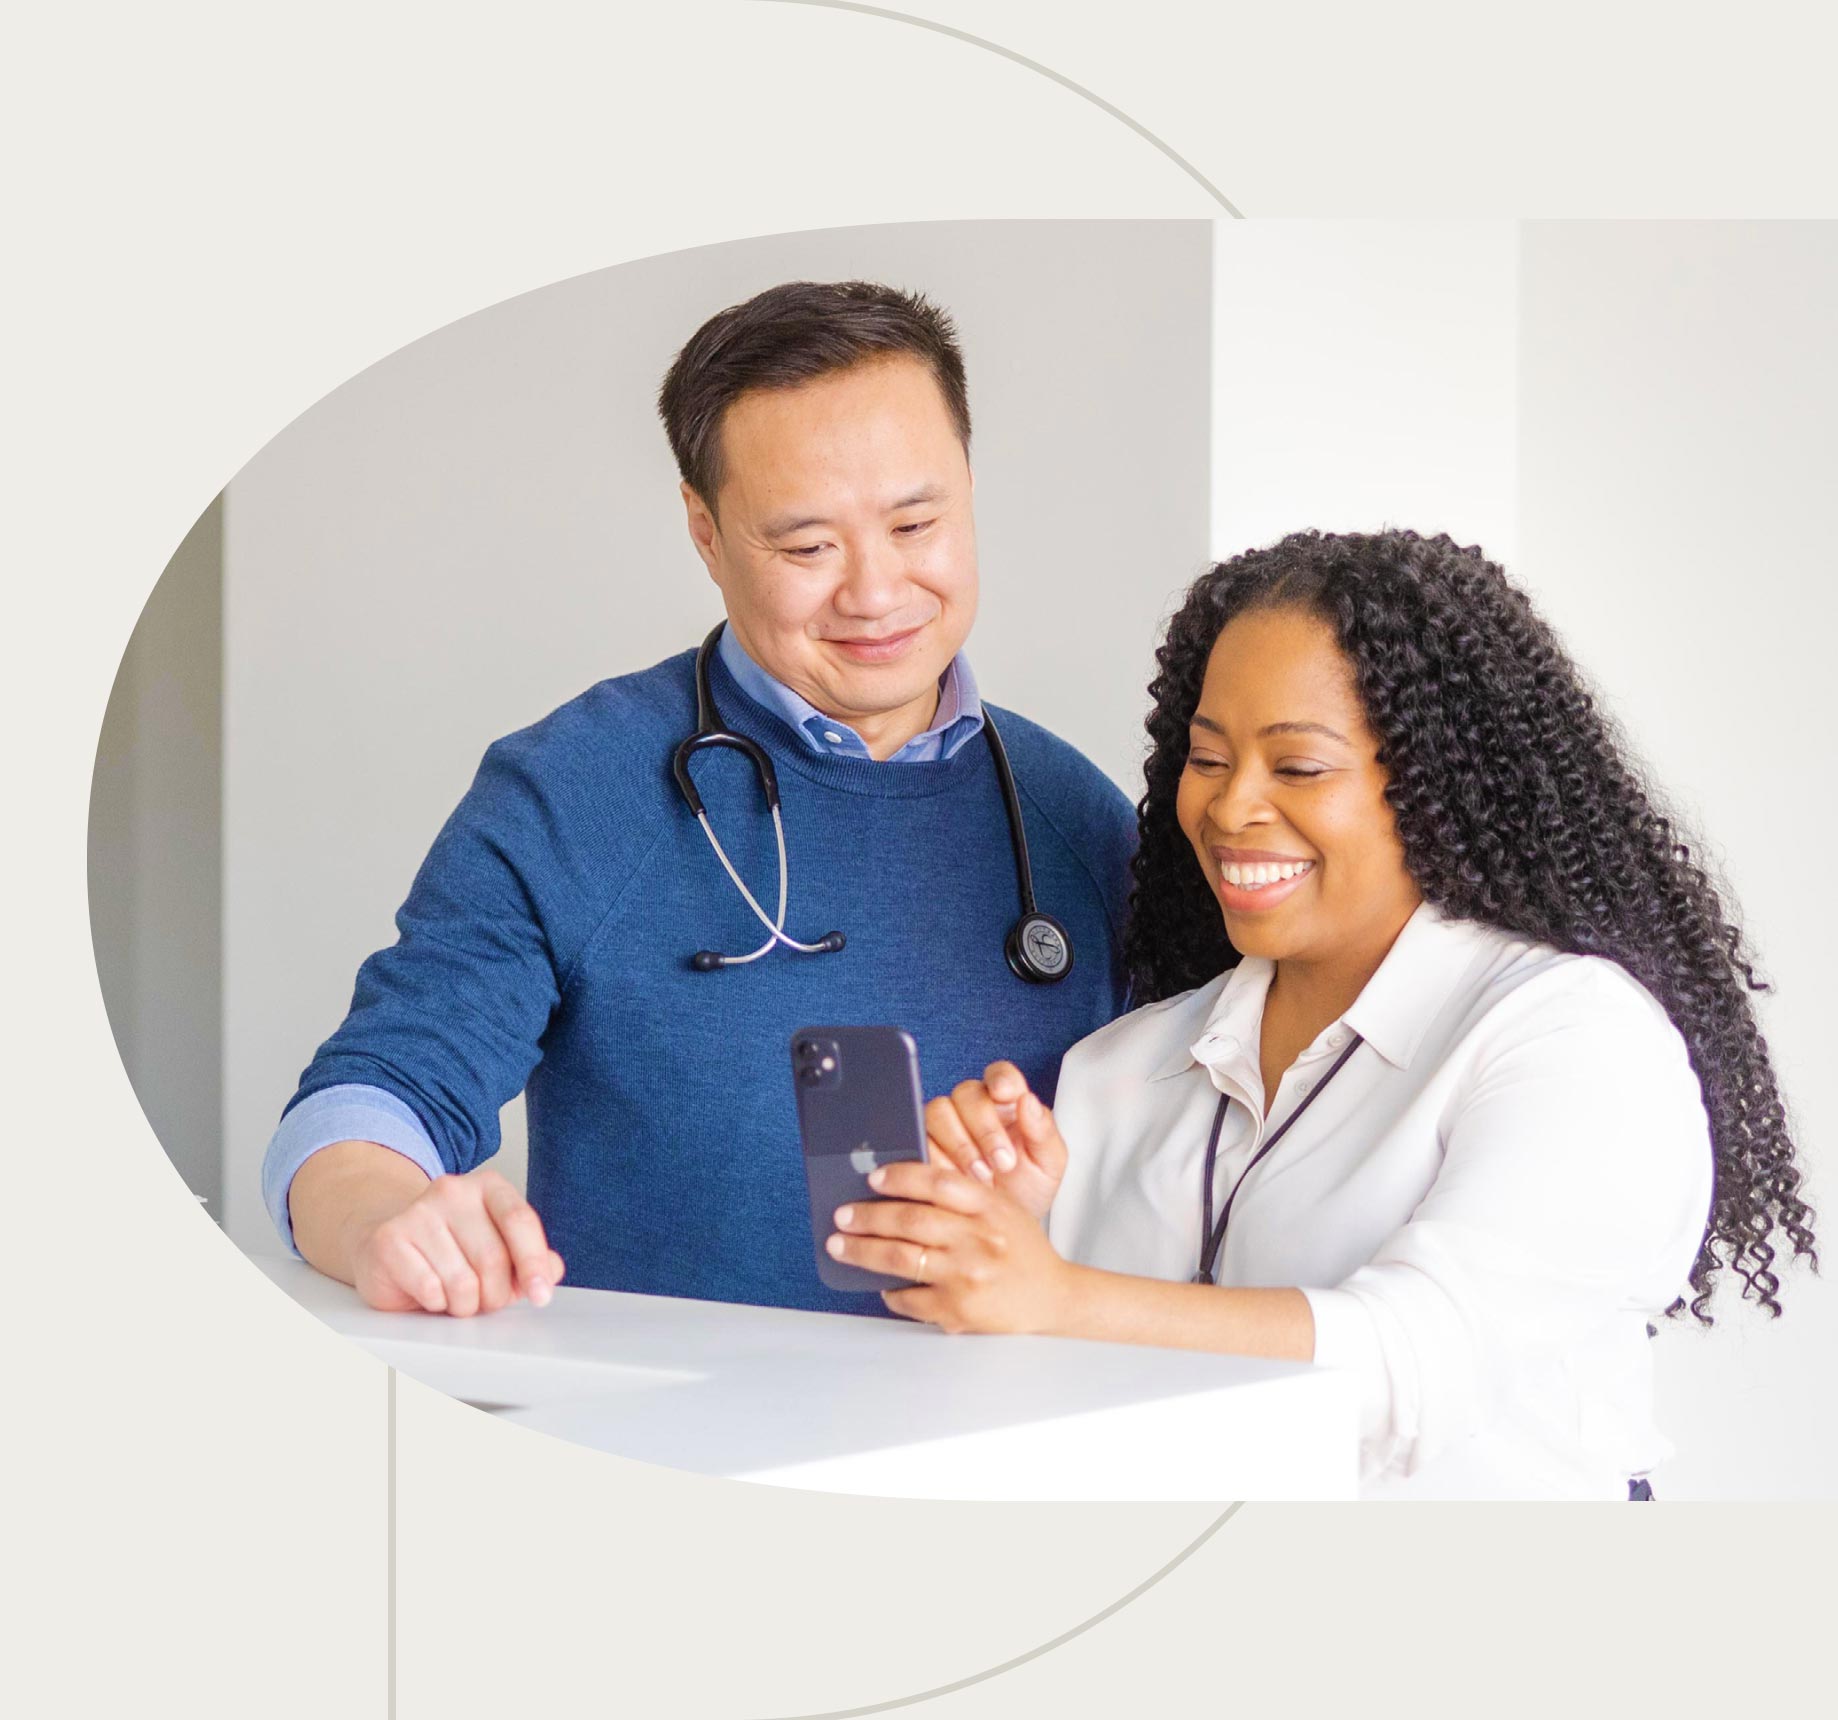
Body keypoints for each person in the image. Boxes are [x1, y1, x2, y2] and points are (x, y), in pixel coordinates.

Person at [825, 528, 1819, 1498]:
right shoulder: (1116, 1069)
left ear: (1437, 785)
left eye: (1295, 766)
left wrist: (1052, 1295)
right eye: (1206, 759)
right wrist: (1004, 1234)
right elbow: (1074, 1412)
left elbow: (1404, 1368)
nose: (1228, 808)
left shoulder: (1571, 1039)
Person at [262, 280, 1136, 1319]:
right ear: (705, 532)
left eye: (916, 522)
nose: (873, 590)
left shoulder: (1074, 818)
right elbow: (374, 1101)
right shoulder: (574, 788)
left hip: (992, 1443)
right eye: (806, 546)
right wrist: (381, 1222)